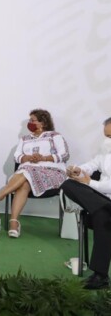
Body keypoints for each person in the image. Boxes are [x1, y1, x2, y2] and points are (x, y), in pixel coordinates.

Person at [0, 109, 69, 238]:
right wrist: (27, 158)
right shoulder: (25, 139)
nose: (30, 123)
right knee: (24, 182)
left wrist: (43, 158)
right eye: (29, 120)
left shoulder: (55, 136)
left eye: (33, 120)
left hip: (51, 173)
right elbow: (17, 156)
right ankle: (14, 223)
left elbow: (64, 155)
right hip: (27, 172)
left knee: (25, 172)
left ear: (43, 122)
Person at [60, 118, 111, 290]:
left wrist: (90, 183)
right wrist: (77, 170)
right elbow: (92, 164)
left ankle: (100, 276)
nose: (107, 140)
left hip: (102, 195)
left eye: (110, 136)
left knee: (101, 218)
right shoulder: (106, 148)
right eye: (106, 136)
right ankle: (101, 276)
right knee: (68, 184)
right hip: (102, 200)